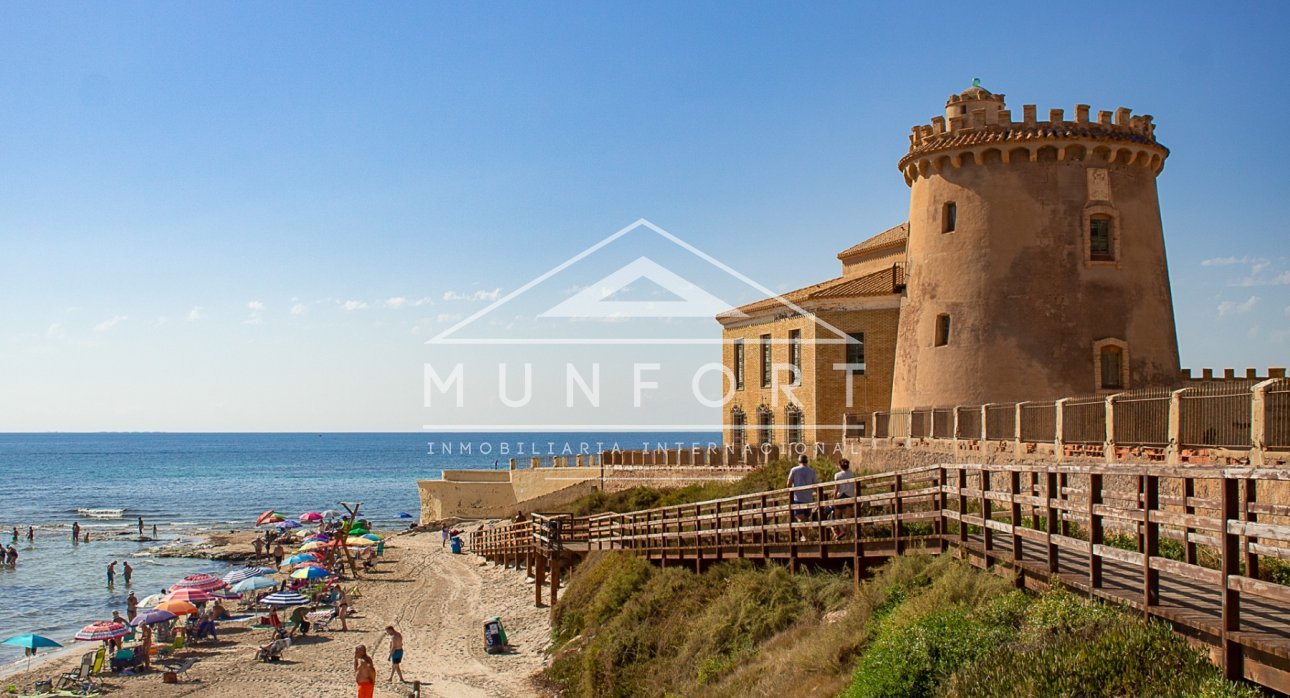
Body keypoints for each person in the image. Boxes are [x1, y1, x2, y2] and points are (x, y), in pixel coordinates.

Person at [786, 455, 819, 537]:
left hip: (798, 497)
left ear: (799, 461)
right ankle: (806, 537)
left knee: (800, 517)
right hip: (808, 498)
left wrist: (792, 490)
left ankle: (805, 536)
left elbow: (788, 484)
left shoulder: (794, 470)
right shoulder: (811, 471)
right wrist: (819, 495)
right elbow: (815, 485)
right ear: (807, 461)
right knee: (806, 518)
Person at [831, 459, 858, 541]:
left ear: (840, 466)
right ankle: (848, 538)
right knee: (848, 518)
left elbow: (837, 488)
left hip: (841, 496)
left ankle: (842, 531)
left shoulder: (837, 475)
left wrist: (834, 498)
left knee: (837, 516)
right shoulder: (852, 474)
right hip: (850, 497)